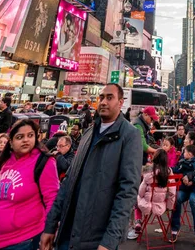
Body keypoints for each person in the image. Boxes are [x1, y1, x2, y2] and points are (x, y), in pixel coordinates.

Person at [41, 84, 142, 250]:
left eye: (110, 97)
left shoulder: (130, 135)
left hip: (97, 237)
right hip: (68, 231)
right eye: (101, 97)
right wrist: (50, 225)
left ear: (120, 102)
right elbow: (69, 181)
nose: (103, 102)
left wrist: (110, 240)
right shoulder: (88, 133)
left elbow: (127, 191)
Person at [0, 120, 59, 250]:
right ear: (11, 143)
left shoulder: (43, 162)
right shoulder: (4, 163)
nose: (26, 140)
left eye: (30, 135)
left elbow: (52, 199)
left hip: (23, 240)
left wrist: (49, 231)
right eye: (20, 137)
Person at [170, 144, 195, 246]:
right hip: (184, 188)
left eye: (184, 152)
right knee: (176, 198)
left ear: (189, 154)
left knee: (193, 201)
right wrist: (170, 170)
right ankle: (174, 229)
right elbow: (176, 170)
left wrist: (191, 181)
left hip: (194, 189)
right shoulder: (182, 162)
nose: (183, 154)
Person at [135, 149, 176, 238]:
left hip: (147, 204)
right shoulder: (169, 172)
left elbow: (141, 192)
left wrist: (142, 197)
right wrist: (169, 207)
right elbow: (172, 193)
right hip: (161, 204)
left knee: (137, 198)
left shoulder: (149, 173)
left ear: (155, 158)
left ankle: (138, 221)